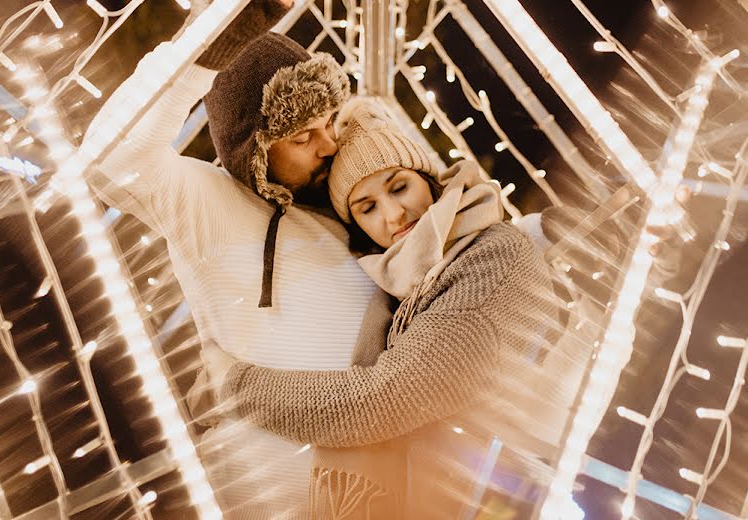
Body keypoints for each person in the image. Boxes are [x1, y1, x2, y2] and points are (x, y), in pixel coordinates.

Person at [82, 0, 389, 519]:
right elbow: (111, 161)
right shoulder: (207, 201)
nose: (329, 143)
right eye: (302, 137)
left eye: (328, 122)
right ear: (253, 148)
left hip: (375, 487)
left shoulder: (345, 208)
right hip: (262, 488)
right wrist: (200, 52)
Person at [191, 97, 568, 519]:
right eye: (367, 207)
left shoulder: (487, 258)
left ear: (428, 178)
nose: (393, 214)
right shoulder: (404, 278)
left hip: (488, 500)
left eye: (399, 186)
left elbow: (380, 401)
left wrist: (236, 385)